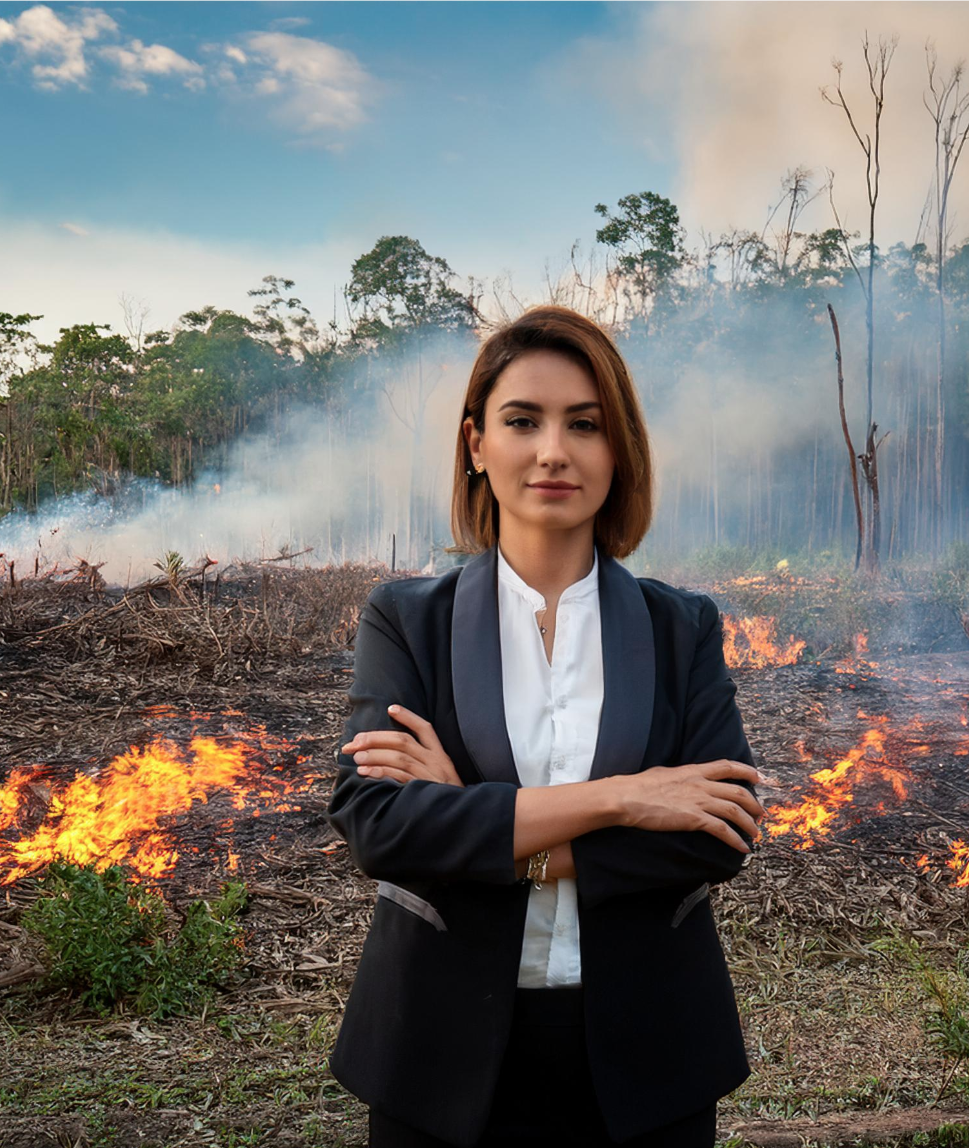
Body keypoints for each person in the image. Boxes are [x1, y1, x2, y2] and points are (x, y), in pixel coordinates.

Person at [323, 305, 766, 1148]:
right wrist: (628, 798)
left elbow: (719, 832)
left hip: (649, 1058)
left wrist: (479, 820)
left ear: (618, 449)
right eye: (522, 420)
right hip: (438, 1055)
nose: (553, 450)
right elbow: (381, 826)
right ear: (477, 445)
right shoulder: (406, 620)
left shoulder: (682, 630)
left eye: (585, 425)